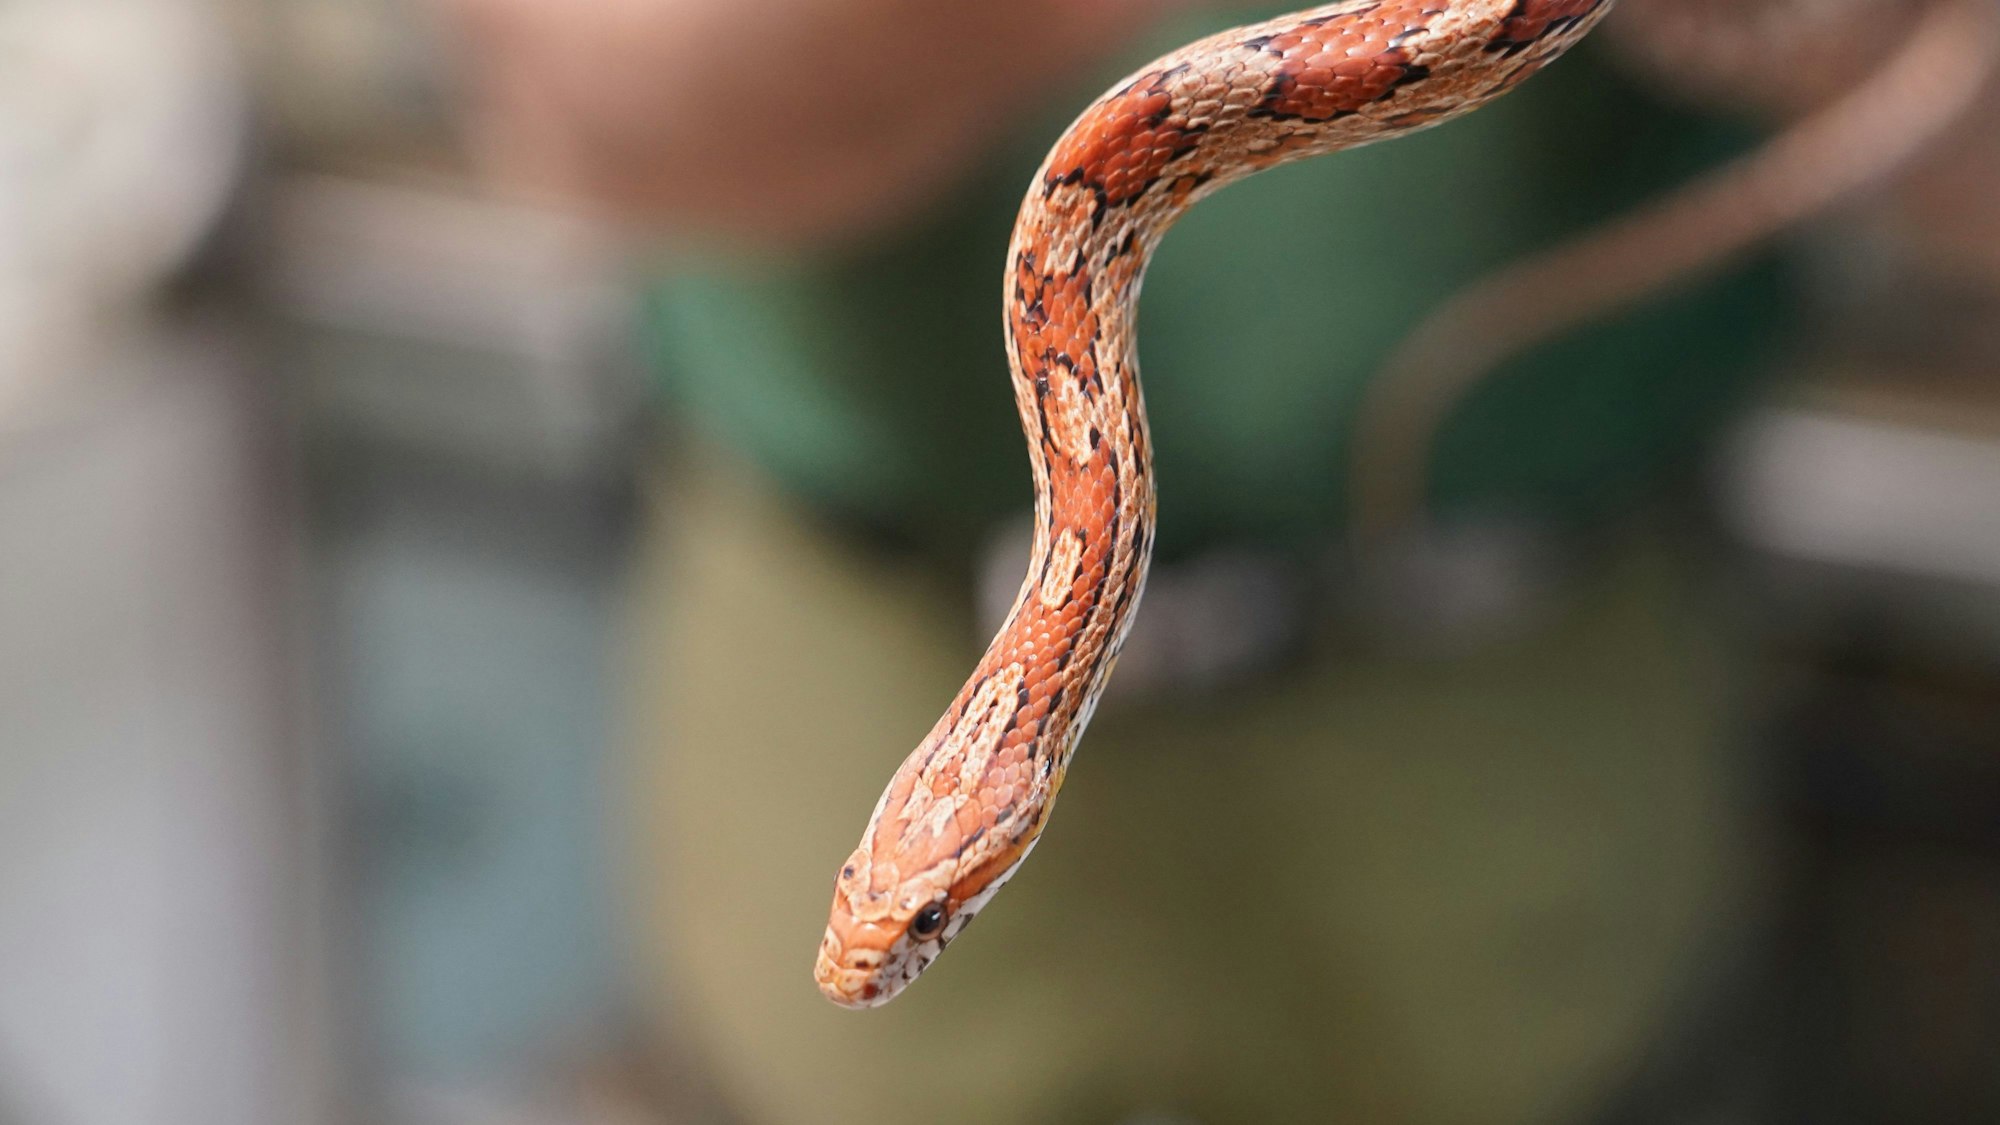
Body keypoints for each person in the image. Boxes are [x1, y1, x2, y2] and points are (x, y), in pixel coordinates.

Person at [441, 3, 1784, 1121]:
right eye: (913, 912)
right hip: (840, 617)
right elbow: (566, 95)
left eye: (906, 914)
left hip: (1520, 717)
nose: (889, 940)